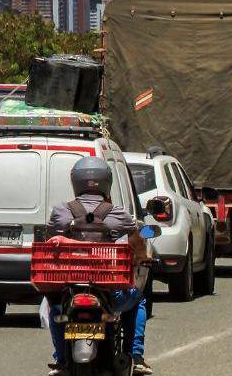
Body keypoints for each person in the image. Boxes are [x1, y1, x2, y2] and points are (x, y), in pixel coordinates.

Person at [44, 156, 152, 376]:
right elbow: (138, 244)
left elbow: (50, 241)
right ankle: (136, 356)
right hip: (110, 291)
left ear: (76, 182)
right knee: (138, 298)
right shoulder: (118, 214)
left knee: (54, 304)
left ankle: (61, 359)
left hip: (70, 288)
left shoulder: (61, 213)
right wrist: (142, 257)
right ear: (106, 183)